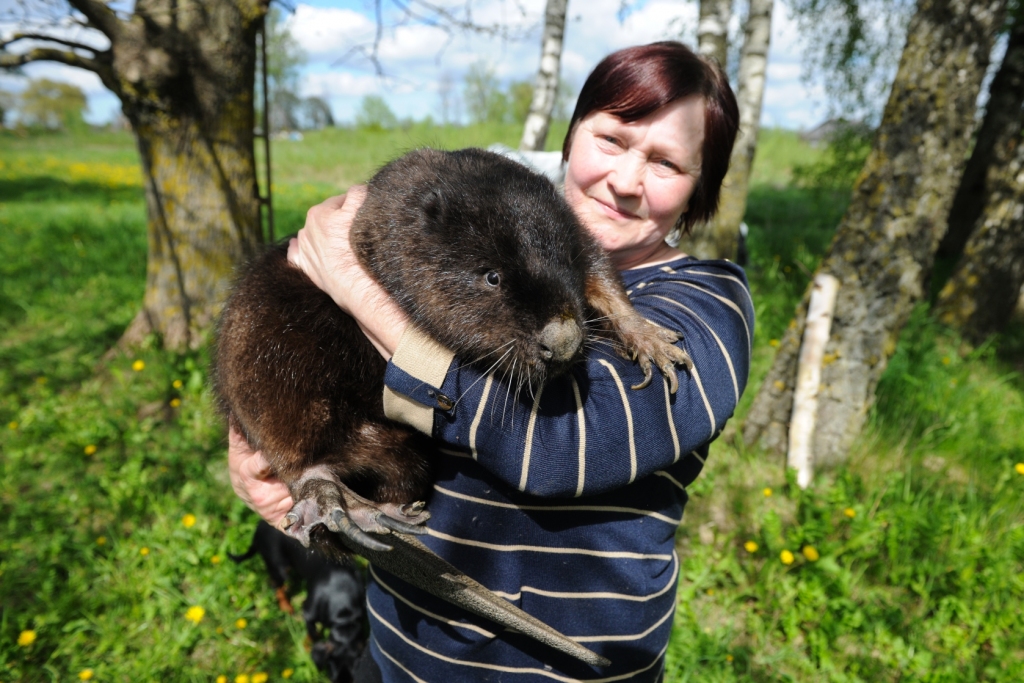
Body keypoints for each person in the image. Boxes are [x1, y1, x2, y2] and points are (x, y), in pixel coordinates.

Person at [229, 41, 752, 682]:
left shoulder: (709, 308)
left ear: (703, 189)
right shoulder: (510, 223)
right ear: (572, 137)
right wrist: (264, 444)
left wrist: (347, 281)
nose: (625, 180)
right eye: (611, 140)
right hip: (405, 648)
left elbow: (558, 445)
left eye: (667, 163)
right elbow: (295, 307)